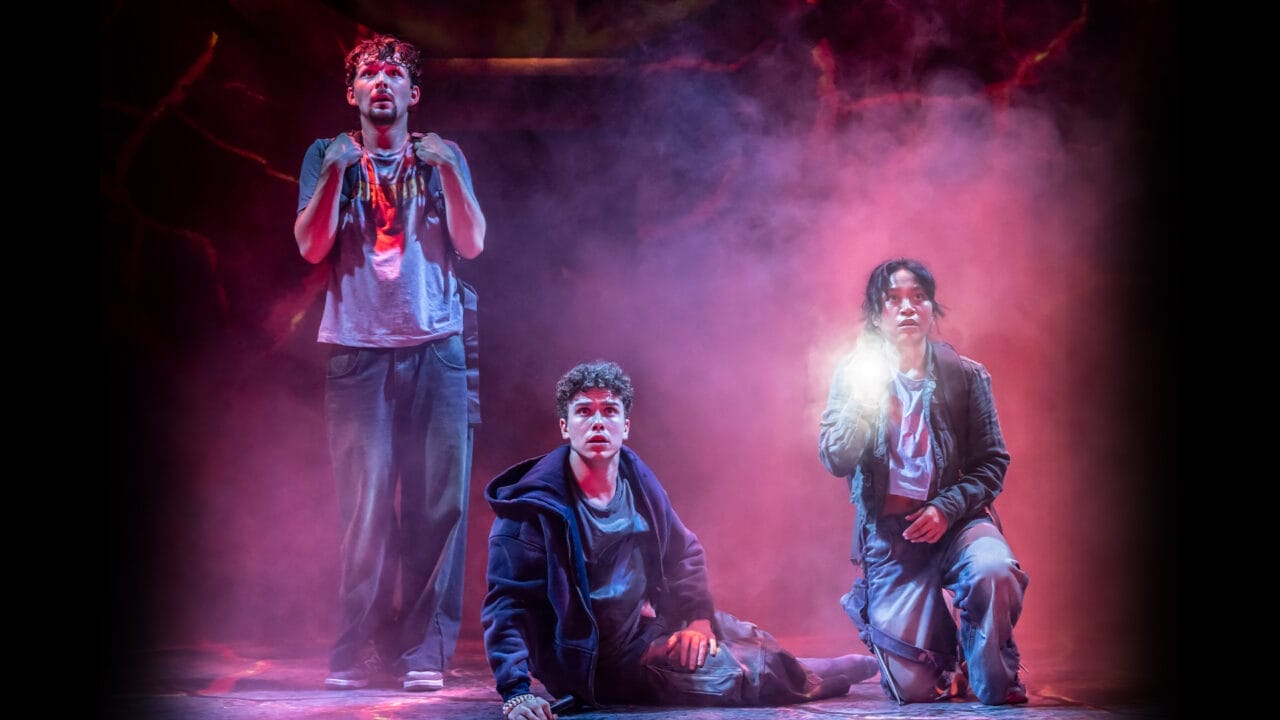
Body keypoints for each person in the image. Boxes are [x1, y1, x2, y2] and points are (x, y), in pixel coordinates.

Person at [482, 361, 878, 719]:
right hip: (600, 662)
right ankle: (817, 677)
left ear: (626, 425)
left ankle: (799, 667)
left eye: (609, 411)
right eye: (584, 412)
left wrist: (698, 620)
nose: (598, 423)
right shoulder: (533, 511)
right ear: (565, 427)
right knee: (742, 676)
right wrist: (516, 693)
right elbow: (507, 605)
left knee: (745, 636)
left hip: (650, 628)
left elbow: (683, 551)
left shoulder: (636, 480)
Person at [293, 32, 487, 692]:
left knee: (438, 506)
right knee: (365, 505)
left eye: (394, 73)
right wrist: (338, 173)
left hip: (436, 348)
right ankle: (359, 649)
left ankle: (425, 652)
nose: (382, 81)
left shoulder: (443, 156)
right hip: (357, 352)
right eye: (368, 74)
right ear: (351, 93)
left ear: (413, 93)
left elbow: (473, 241)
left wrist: (448, 171)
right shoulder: (327, 154)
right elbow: (312, 248)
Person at [818, 258, 1028, 705]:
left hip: (960, 525)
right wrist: (862, 397)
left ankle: (987, 664)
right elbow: (836, 459)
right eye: (892, 300)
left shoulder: (966, 376)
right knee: (916, 690)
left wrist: (946, 507)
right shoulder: (854, 375)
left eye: (918, 298)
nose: (907, 308)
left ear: (933, 309)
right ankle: (937, 643)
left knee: (994, 572)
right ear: (877, 315)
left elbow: (992, 463)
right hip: (894, 538)